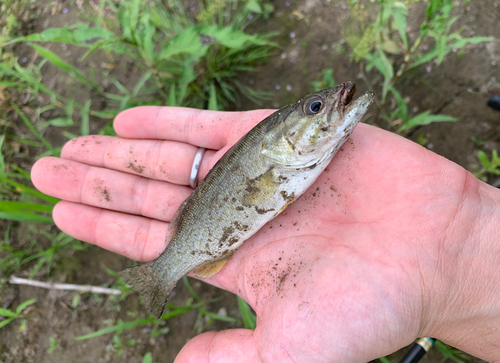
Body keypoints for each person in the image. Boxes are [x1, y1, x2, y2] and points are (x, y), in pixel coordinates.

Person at [31, 105, 500, 363]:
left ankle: (161, 273)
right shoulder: (283, 158)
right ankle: (160, 274)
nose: (329, 106)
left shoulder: (308, 150)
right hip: (209, 231)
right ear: (284, 136)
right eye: (315, 109)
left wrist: (463, 253)